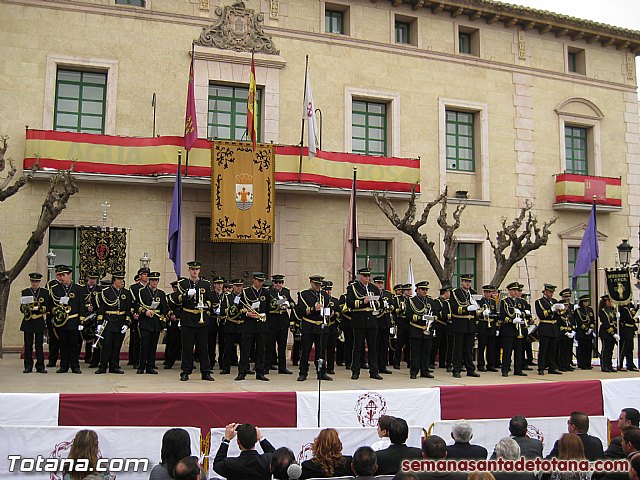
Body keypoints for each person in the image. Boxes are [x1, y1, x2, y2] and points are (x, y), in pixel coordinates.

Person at [170, 261, 214, 382]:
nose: (195, 272)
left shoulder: (205, 284)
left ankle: (205, 372)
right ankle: (185, 371)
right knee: (187, 347)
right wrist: (186, 295)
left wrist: (205, 305)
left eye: (197, 269)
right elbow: (175, 299)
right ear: (189, 270)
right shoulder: (183, 283)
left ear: (199, 271)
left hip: (201, 318)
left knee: (203, 347)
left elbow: (211, 300)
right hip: (188, 318)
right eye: (192, 269)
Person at [294, 275, 332, 382]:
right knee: (305, 351)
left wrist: (327, 312)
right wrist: (313, 309)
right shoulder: (303, 294)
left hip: (321, 326)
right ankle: (303, 373)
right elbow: (299, 310)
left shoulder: (325, 295)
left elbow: (329, 308)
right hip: (309, 326)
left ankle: (321, 373)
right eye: (316, 284)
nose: (318, 287)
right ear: (311, 283)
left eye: (320, 285)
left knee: (321, 352)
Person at [347, 267, 383, 380]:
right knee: (358, 347)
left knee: (373, 347)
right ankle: (355, 371)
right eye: (365, 276)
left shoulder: (373, 288)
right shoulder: (353, 288)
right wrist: (364, 301)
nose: (368, 278)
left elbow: (381, 303)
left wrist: (374, 303)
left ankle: (374, 371)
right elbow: (349, 303)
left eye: (369, 276)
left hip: (372, 321)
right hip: (359, 321)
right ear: (360, 276)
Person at [95, 272, 134, 375]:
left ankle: (114, 366)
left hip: (120, 322)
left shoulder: (126, 293)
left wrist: (126, 323)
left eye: (122, 279)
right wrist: (99, 323)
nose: (121, 281)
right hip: (108, 322)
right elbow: (101, 309)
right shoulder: (106, 292)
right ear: (114, 280)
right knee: (106, 345)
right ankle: (102, 366)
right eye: (119, 279)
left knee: (117, 346)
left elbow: (128, 310)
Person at [48, 265, 84, 374]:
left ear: (69, 275)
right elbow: (51, 305)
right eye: (60, 275)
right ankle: (64, 366)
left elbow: (81, 305)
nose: (62, 278)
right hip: (62, 321)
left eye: (63, 275)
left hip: (73, 320)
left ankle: (75, 366)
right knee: (63, 344)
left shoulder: (78, 288)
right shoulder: (55, 289)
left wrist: (81, 321)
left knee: (74, 344)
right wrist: (57, 312)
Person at [237, 272, 270, 381]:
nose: (260, 283)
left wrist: (284, 301)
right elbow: (239, 307)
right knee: (246, 349)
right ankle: (242, 371)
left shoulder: (266, 292)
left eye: (262, 281)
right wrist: (247, 314)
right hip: (249, 324)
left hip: (261, 324)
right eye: (258, 281)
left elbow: (271, 305)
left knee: (261, 350)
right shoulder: (246, 292)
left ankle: (260, 372)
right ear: (254, 280)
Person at [448, 274, 480, 379]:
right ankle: (456, 369)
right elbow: (454, 308)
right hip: (460, 323)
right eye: (466, 281)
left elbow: (476, 309)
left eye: (469, 282)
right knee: (458, 348)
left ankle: (470, 369)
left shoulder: (473, 293)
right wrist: (467, 309)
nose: (468, 284)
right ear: (461, 282)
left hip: (470, 324)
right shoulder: (455, 293)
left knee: (469, 348)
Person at [136, 271, 167, 374]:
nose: (154, 282)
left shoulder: (161, 293)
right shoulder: (142, 292)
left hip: (156, 322)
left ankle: (150, 366)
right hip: (145, 321)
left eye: (156, 280)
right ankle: (141, 366)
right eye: (153, 280)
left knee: (153, 345)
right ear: (149, 280)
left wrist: (163, 323)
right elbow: (137, 305)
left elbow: (164, 309)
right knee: (144, 345)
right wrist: (145, 312)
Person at [20, 272, 49, 373]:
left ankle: (40, 366)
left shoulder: (44, 292)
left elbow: (47, 306)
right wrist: (27, 308)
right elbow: (21, 307)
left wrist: (39, 308)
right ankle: (28, 366)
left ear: (39, 282)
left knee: (39, 345)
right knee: (28, 345)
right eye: (33, 281)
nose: (34, 283)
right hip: (28, 321)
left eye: (36, 281)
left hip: (39, 320)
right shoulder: (25, 292)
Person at [266, 274, 294, 375]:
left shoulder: (286, 291)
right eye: (276, 282)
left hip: (283, 321)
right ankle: (266, 366)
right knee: (270, 345)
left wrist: (287, 304)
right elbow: (267, 305)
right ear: (273, 283)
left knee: (282, 346)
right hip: (272, 321)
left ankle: (282, 367)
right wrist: (280, 302)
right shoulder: (268, 291)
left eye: (280, 282)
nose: (278, 284)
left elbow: (292, 303)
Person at [499, 282, 528, 377]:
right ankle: (505, 370)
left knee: (519, 351)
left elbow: (524, 313)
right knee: (507, 351)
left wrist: (522, 316)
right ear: (510, 291)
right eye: (514, 290)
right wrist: (512, 321)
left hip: (518, 330)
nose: (516, 292)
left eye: (517, 290)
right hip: (508, 330)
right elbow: (503, 316)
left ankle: (518, 369)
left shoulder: (521, 302)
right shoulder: (505, 301)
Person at [407, 281, 435, 379]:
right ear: (417, 290)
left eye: (426, 289)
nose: (425, 291)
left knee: (426, 352)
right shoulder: (412, 301)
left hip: (428, 329)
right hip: (416, 329)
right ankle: (414, 371)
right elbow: (408, 315)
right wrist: (421, 318)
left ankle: (425, 370)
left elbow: (435, 313)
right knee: (415, 352)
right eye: (423, 289)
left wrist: (432, 319)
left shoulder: (430, 301)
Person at [534, 284, 563, 376]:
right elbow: (541, 314)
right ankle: (541, 367)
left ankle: (552, 367)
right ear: (545, 291)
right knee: (543, 349)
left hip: (554, 328)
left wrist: (560, 310)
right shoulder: (539, 302)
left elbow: (559, 316)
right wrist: (551, 310)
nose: (551, 294)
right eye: (550, 292)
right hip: (545, 327)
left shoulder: (554, 301)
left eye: (552, 292)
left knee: (553, 349)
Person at [220, 279, 245, 375]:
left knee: (244, 349)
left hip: (242, 326)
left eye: (240, 286)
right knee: (228, 349)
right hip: (231, 325)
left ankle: (244, 367)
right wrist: (231, 310)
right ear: (233, 286)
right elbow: (222, 311)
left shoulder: (245, 297)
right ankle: (226, 368)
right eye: (236, 285)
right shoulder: (227, 297)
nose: (238, 288)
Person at [128, 267, 149, 369]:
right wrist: (134, 313)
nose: (146, 276)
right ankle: (135, 360)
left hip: (148, 316)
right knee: (137, 339)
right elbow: (132, 302)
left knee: (147, 340)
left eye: (147, 274)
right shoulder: (134, 288)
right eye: (144, 274)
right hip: (138, 316)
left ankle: (147, 361)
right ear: (140, 276)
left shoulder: (150, 288)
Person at [373, 275, 394, 375]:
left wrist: (390, 306)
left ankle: (383, 365)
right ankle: (375, 366)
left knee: (384, 345)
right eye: (378, 283)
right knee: (376, 345)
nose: (380, 285)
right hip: (377, 322)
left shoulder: (387, 294)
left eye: (381, 283)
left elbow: (393, 305)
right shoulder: (373, 293)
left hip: (385, 322)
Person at [476, 284, 498, 373]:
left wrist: (496, 327)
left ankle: (491, 365)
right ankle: (480, 365)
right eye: (486, 292)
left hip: (491, 326)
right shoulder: (480, 301)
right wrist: (482, 313)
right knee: (481, 347)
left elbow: (495, 314)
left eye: (489, 292)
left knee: (491, 347)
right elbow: (476, 314)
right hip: (483, 325)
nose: (488, 294)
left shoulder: (493, 302)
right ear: (484, 292)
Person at [431, 285, 452, 372]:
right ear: (445, 293)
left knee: (444, 345)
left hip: (445, 326)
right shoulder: (436, 302)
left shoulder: (448, 302)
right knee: (435, 345)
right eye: (449, 292)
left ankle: (442, 362)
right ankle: (431, 362)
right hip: (438, 325)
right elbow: (437, 313)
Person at [164, 280, 182, 370]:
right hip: (174, 322)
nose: (176, 289)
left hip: (183, 322)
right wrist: (170, 315)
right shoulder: (169, 297)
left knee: (185, 344)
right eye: (175, 288)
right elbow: (166, 307)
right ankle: (169, 361)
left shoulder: (185, 297)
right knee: (172, 343)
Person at [574, 295, 596, 370]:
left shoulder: (590, 310)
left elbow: (593, 320)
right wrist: (586, 329)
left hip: (589, 332)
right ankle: (582, 364)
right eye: (585, 301)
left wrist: (591, 328)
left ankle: (588, 363)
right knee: (582, 349)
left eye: (587, 301)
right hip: (581, 332)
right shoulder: (578, 310)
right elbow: (579, 322)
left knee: (588, 349)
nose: (586, 303)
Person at [209, 275, 226, 371]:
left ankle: (222, 362)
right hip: (213, 320)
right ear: (214, 285)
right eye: (217, 284)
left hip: (223, 320)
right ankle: (211, 361)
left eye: (221, 284)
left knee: (223, 342)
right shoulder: (211, 295)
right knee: (211, 342)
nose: (219, 286)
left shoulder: (226, 295)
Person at [557, 288, 576, 372]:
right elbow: (558, 322)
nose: (567, 298)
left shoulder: (571, 307)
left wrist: (573, 330)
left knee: (569, 349)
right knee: (562, 350)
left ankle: (568, 364)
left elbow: (573, 319)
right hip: (562, 333)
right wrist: (565, 331)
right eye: (565, 297)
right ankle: (562, 365)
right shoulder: (559, 307)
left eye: (568, 296)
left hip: (570, 331)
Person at [598, 295, 619, 373]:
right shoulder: (602, 311)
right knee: (605, 350)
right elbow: (605, 323)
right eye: (609, 301)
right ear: (605, 301)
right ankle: (604, 366)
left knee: (611, 350)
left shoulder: (612, 310)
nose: (611, 302)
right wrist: (612, 333)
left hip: (613, 331)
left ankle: (609, 365)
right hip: (605, 332)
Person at [617, 301, 638, 371]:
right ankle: (620, 364)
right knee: (623, 349)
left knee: (630, 349)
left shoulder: (628, 308)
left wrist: (636, 307)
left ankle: (630, 364)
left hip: (630, 330)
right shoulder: (622, 308)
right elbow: (629, 319)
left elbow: (632, 314)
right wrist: (637, 319)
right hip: (625, 331)